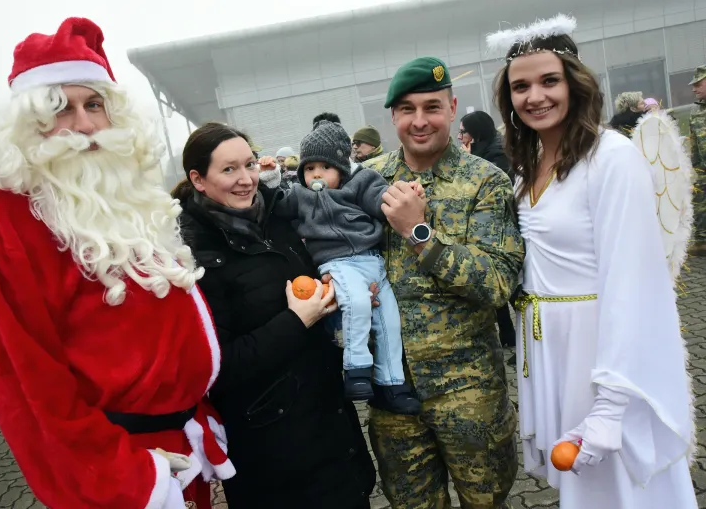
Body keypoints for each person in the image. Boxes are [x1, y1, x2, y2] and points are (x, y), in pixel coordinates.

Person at [0, 17, 235, 509]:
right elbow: (23, 381)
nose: (84, 126)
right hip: (124, 469)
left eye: (94, 104)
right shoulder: (3, 219)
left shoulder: (129, 198)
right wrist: (122, 476)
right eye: (60, 108)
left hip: (179, 449)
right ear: (28, 124)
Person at [489, 13, 697, 509]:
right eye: (521, 86)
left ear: (575, 83)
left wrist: (611, 406)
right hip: (550, 349)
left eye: (548, 81)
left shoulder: (612, 157)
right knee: (584, 490)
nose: (534, 96)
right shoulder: (526, 167)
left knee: (623, 486)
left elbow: (633, 286)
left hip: (602, 353)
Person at [173, 122, 376, 509]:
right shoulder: (190, 256)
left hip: (330, 430)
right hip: (271, 454)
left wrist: (341, 291)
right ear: (198, 179)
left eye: (249, 165)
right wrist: (297, 320)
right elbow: (217, 367)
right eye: (228, 169)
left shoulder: (280, 219)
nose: (246, 179)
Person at [363, 56, 524, 508]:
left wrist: (420, 235)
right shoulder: (368, 180)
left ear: (452, 108)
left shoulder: (485, 183)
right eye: (407, 109)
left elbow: (497, 283)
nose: (420, 121)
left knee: (486, 501)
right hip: (393, 395)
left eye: (432, 107)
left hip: (468, 392)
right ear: (392, 115)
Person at [274, 120, 421, 414]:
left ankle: (392, 383)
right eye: (309, 168)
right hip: (337, 263)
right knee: (356, 303)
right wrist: (268, 178)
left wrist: (406, 196)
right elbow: (277, 206)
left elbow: (381, 200)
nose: (315, 173)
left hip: (373, 263)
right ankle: (356, 370)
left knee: (389, 320)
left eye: (324, 167)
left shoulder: (361, 181)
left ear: (341, 168)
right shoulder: (300, 196)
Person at [457, 111, 517, 352]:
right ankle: (509, 336)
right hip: (485, 235)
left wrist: (469, 162)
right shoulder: (481, 150)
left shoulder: (497, 153)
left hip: (502, 233)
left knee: (509, 290)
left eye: (463, 131)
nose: (460, 137)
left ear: (476, 132)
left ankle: (518, 339)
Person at [689, 65, 706, 247]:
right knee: (700, 205)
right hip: (702, 170)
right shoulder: (696, 112)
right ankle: (702, 240)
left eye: (698, 84)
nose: (694, 89)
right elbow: (693, 141)